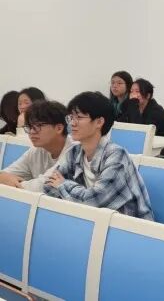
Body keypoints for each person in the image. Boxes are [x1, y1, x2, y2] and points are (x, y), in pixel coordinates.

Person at [43, 92, 153, 220]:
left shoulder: (116, 156)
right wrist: (72, 191)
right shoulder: (74, 152)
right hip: (92, 221)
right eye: (71, 117)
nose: (72, 123)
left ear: (99, 122)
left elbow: (94, 202)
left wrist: (63, 185)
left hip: (130, 226)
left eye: (79, 117)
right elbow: (48, 186)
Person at [0, 100, 73, 191]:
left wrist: (10, 182)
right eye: (30, 127)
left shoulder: (73, 152)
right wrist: (3, 177)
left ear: (59, 128)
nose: (31, 132)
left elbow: (43, 186)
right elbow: (5, 173)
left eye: (37, 126)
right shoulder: (37, 150)